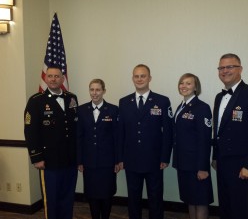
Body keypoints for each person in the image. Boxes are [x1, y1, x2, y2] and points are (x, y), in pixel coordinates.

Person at [212, 53, 248, 219]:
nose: (225, 71)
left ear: (240, 69)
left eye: (230, 66)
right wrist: (215, 157)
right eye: (221, 68)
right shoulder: (219, 97)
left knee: (239, 209)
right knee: (225, 206)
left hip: (242, 164)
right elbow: (218, 132)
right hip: (223, 162)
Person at [118, 64, 173, 219]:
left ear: (149, 78)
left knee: (155, 198)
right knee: (133, 198)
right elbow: (120, 133)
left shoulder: (162, 101)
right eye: (136, 76)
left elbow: (168, 132)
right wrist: (120, 158)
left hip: (154, 160)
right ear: (132, 79)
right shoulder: (124, 102)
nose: (140, 79)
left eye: (143, 76)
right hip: (131, 159)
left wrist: (164, 157)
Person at [24, 67, 78, 219]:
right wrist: (36, 157)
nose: (53, 79)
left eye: (57, 76)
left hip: (70, 160)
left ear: (62, 79)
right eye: (50, 76)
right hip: (49, 161)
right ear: (45, 78)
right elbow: (30, 131)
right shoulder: (36, 101)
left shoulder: (71, 98)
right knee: (51, 200)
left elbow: (74, 128)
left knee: (68, 198)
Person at [77, 79, 119, 219]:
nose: (94, 93)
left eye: (98, 90)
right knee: (92, 194)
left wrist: (118, 160)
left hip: (107, 162)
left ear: (104, 91)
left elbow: (117, 137)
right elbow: (79, 137)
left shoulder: (113, 110)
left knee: (107, 194)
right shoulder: (81, 110)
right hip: (89, 162)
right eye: (92, 89)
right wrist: (80, 160)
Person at [173, 73, 213, 219]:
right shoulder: (181, 106)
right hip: (184, 163)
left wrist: (203, 167)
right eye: (182, 83)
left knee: (200, 201)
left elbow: (204, 139)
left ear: (196, 87)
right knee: (190, 199)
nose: (184, 86)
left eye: (188, 83)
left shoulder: (202, 107)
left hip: (196, 164)